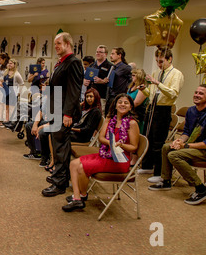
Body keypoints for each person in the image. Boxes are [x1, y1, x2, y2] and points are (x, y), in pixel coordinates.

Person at [149, 85, 206, 205]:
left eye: (201, 93)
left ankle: (201, 189)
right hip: (194, 146)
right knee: (166, 147)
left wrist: (185, 146)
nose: (197, 95)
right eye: (196, 92)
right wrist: (179, 141)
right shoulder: (191, 111)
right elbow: (186, 132)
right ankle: (166, 181)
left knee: (174, 155)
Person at [63, 94, 140, 211]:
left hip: (119, 160)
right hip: (106, 154)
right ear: (115, 105)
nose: (122, 104)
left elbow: (134, 147)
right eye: (120, 102)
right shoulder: (110, 119)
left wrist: (121, 145)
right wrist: (111, 143)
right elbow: (101, 138)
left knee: (82, 167)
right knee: (73, 164)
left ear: (130, 107)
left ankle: (78, 198)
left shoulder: (132, 123)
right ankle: (79, 196)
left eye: (126, 103)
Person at [42, 32, 84, 197]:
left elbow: (74, 90)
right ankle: (60, 176)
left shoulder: (73, 62)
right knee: (57, 144)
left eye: (59, 43)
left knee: (60, 148)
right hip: (56, 109)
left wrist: (68, 114)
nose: (56, 46)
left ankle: (60, 184)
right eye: (55, 44)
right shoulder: (61, 63)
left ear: (68, 44)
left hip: (63, 112)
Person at [138, 48, 184, 183]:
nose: (159, 64)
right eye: (157, 61)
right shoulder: (157, 72)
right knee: (148, 138)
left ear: (170, 59)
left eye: (161, 61)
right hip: (152, 107)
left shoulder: (176, 74)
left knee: (158, 142)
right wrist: (144, 89)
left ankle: (159, 172)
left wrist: (158, 83)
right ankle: (147, 166)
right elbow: (152, 94)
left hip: (163, 110)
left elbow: (173, 93)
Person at [83, 45, 112, 113]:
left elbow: (111, 83)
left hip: (101, 96)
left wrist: (102, 81)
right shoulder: (91, 65)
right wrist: (84, 81)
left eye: (100, 52)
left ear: (105, 54)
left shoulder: (110, 66)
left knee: (100, 114)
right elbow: (85, 78)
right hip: (90, 96)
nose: (98, 53)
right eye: (97, 52)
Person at [105, 47, 132, 116]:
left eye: (113, 54)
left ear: (119, 55)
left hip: (118, 97)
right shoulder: (112, 67)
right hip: (109, 97)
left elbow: (131, 81)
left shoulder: (126, 68)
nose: (110, 56)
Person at [1, 58, 24, 128]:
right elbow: (4, 81)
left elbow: (22, 84)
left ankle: (11, 123)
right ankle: (6, 120)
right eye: (8, 63)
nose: (9, 64)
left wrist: (18, 92)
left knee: (12, 108)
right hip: (6, 92)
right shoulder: (5, 72)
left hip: (13, 92)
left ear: (14, 65)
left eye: (11, 63)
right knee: (6, 107)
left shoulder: (17, 74)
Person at [127, 69, 149, 133]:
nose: (132, 77)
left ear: (139, 76)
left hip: (137, 115)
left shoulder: (142, 88)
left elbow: (136, 103)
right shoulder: (131, 86)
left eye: (134, 75)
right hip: (129, 113)